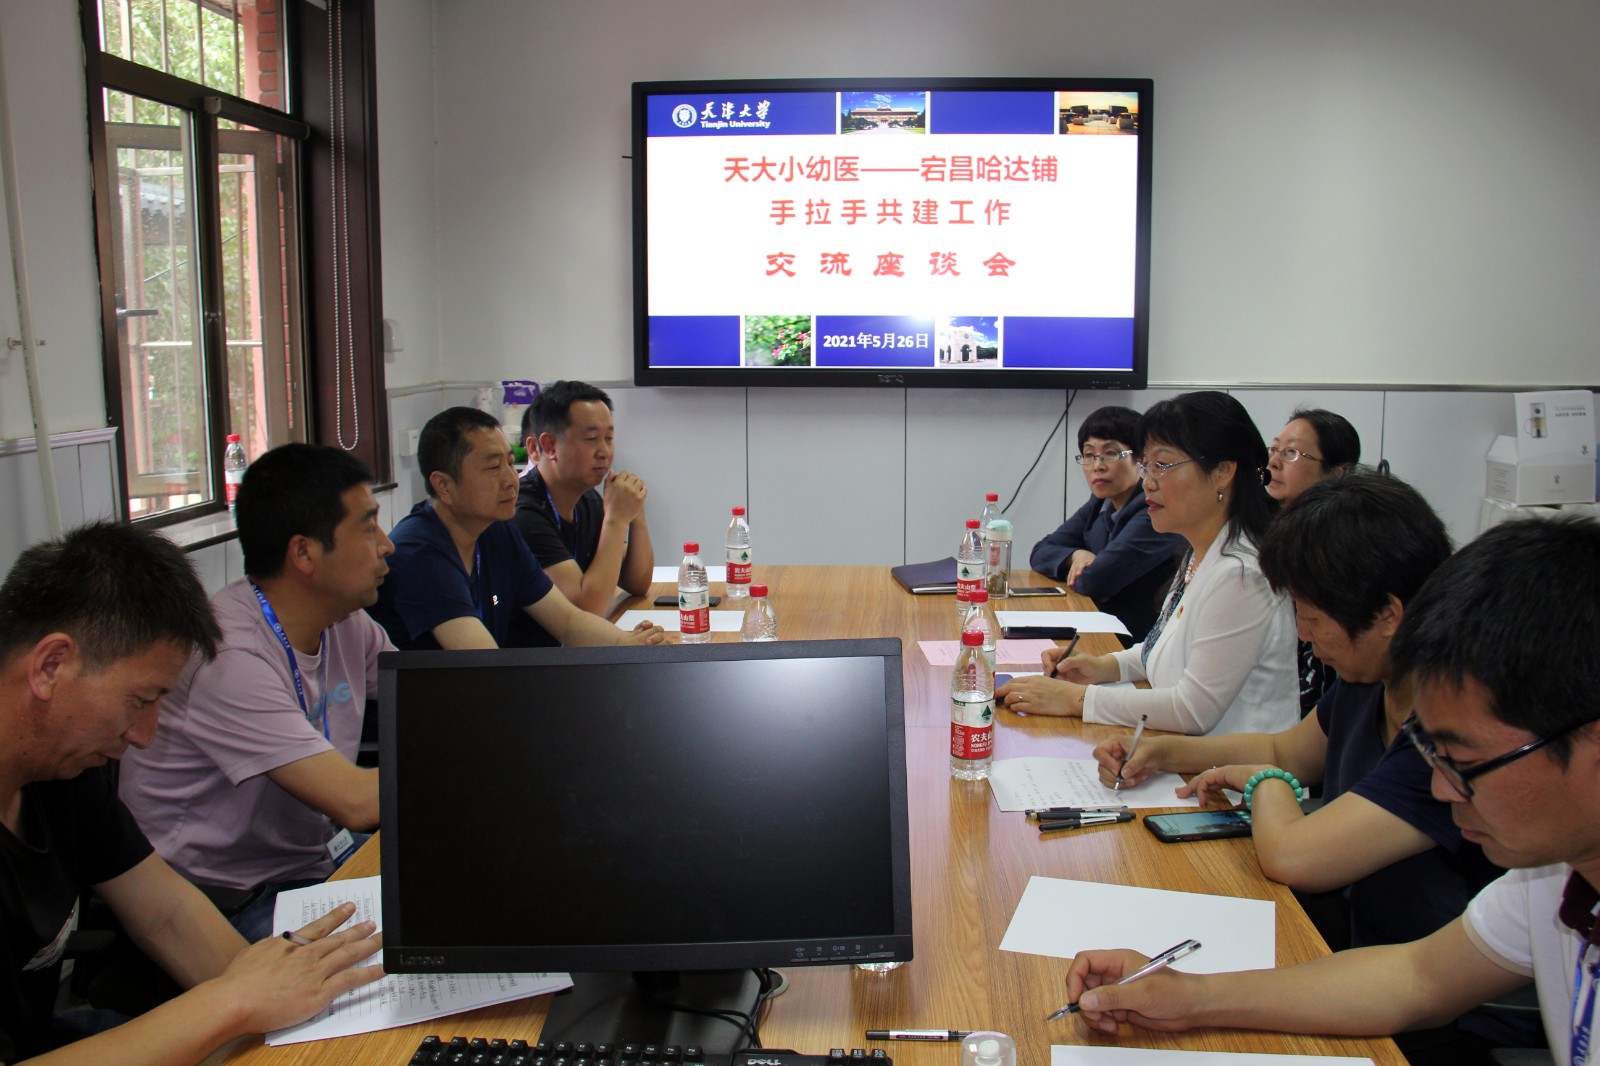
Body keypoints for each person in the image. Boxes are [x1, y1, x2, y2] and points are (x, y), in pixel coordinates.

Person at [1061, 516, 1600, 1066]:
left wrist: (1270, 785)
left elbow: (1296, 843)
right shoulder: (1552, 879)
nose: (1443, 785)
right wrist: (1187, 995)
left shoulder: (1547, 861)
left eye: (1465, 763)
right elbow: (1416, 977)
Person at [0, 522, 382, 1063]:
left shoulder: (62, 775)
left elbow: (166, 912)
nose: (145, 735)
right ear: (51, 665)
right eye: (141, 700)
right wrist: (234, 1000)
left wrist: (299, 1003)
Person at [119, 445, 392, 941]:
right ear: (304, 553)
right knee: (415, 944)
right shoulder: (227, 656)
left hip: (313, 861)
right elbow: (355, 802)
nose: (386, 545)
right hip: (223, 897)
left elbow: (439, 705)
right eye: (369, 527)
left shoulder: (346, 622)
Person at [999, 391, 1298, 735]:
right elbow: (1163, 648)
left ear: (1222, 472)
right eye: (1146, 466)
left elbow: (1191, 710)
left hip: (1234, 783)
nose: (1148, 481)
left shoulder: (1241, 574)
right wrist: (1102, 666)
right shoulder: (1201, 552)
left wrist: (1076, 699)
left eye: (1163, 465)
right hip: (1187, 761)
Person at [369, 406, 664, 650]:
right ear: (443, 485)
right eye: (493, 467)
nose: (511, 479)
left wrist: (625, 644)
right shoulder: (420, 551)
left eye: (511, 464)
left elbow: (567, 621)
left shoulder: (497, 530)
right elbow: (481, 663)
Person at [508, 381, 653, 646]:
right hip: (536, 662)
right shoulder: (524, 514)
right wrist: (617, 519)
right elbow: (587, 609)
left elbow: (637, 583)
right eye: (590, 439)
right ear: (549, 446)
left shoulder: (587, 499)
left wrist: (635, 513)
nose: (604, 452)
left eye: (609, 438)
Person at [1028, 405, 1185, 644]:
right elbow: (1040, 552)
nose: (1097, 466)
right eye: (1089, 455)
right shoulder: (1100, 502)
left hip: (1136, 641)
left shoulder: (1154, 511)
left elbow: (1096, 580)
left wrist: (1092, 567)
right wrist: (1076, 555)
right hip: (1099, 626)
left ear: (1141, 459)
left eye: (1111, 453)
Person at [1264, 407, 1362, 715]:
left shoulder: (1339, 548)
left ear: (1337, 473)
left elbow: (1314, 687)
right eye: (1275, 449)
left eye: (1291, 453)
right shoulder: (1267, 528)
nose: (1274, 463)